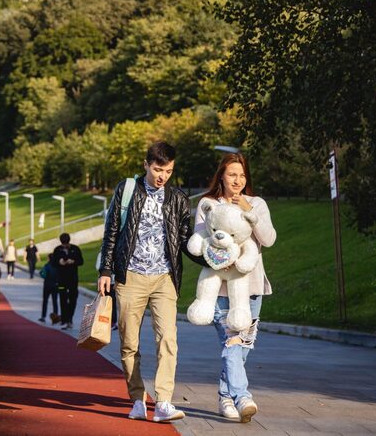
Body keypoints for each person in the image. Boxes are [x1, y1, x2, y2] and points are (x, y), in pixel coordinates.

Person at [98, 140, 202, 423]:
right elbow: (112, 231)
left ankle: (165, 401)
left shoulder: (178, 198)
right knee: (129, 342)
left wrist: (212, 261)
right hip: (129, 276)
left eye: (168, 171)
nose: (162, 176)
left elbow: (185, 241)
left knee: (168, 339)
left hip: (165, 278)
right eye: (158, 169)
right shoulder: (127, 190)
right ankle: (137, 400)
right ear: (146, 164)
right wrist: (105, 271)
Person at [190, 152, 276, 423]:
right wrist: (217, 260)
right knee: (232, 342)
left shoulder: (256, 204)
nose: (237, 180)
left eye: (242, 175)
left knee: (243, 348)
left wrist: (249, 213)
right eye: (231, 175)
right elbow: (199, 244)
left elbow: (269, 239)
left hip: (251, 286)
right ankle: (242, 397)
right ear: (222, 177)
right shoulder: (208, 204)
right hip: (218, 289)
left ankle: (225, 396)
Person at [50, 232, 83, 329]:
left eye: (66, 244)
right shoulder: (57, 250)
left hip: (73, 279)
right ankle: (64, 320)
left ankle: (70, 319)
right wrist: (59, 262)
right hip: (61, 280)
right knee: (63, 299)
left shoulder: (75, 249)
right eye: (63, 244)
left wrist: (73, 261)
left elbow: (81, 261)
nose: (65, 246)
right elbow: (53, 263)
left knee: (73, 299)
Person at [37, 254, 60, 323]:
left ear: (49, 258)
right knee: (55, 301)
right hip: (55, 286)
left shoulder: (47, 266)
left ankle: (43, 317)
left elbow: (42, 274)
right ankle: (55, 317)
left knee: (45, 301)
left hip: (47, 285)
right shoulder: (57, 266)